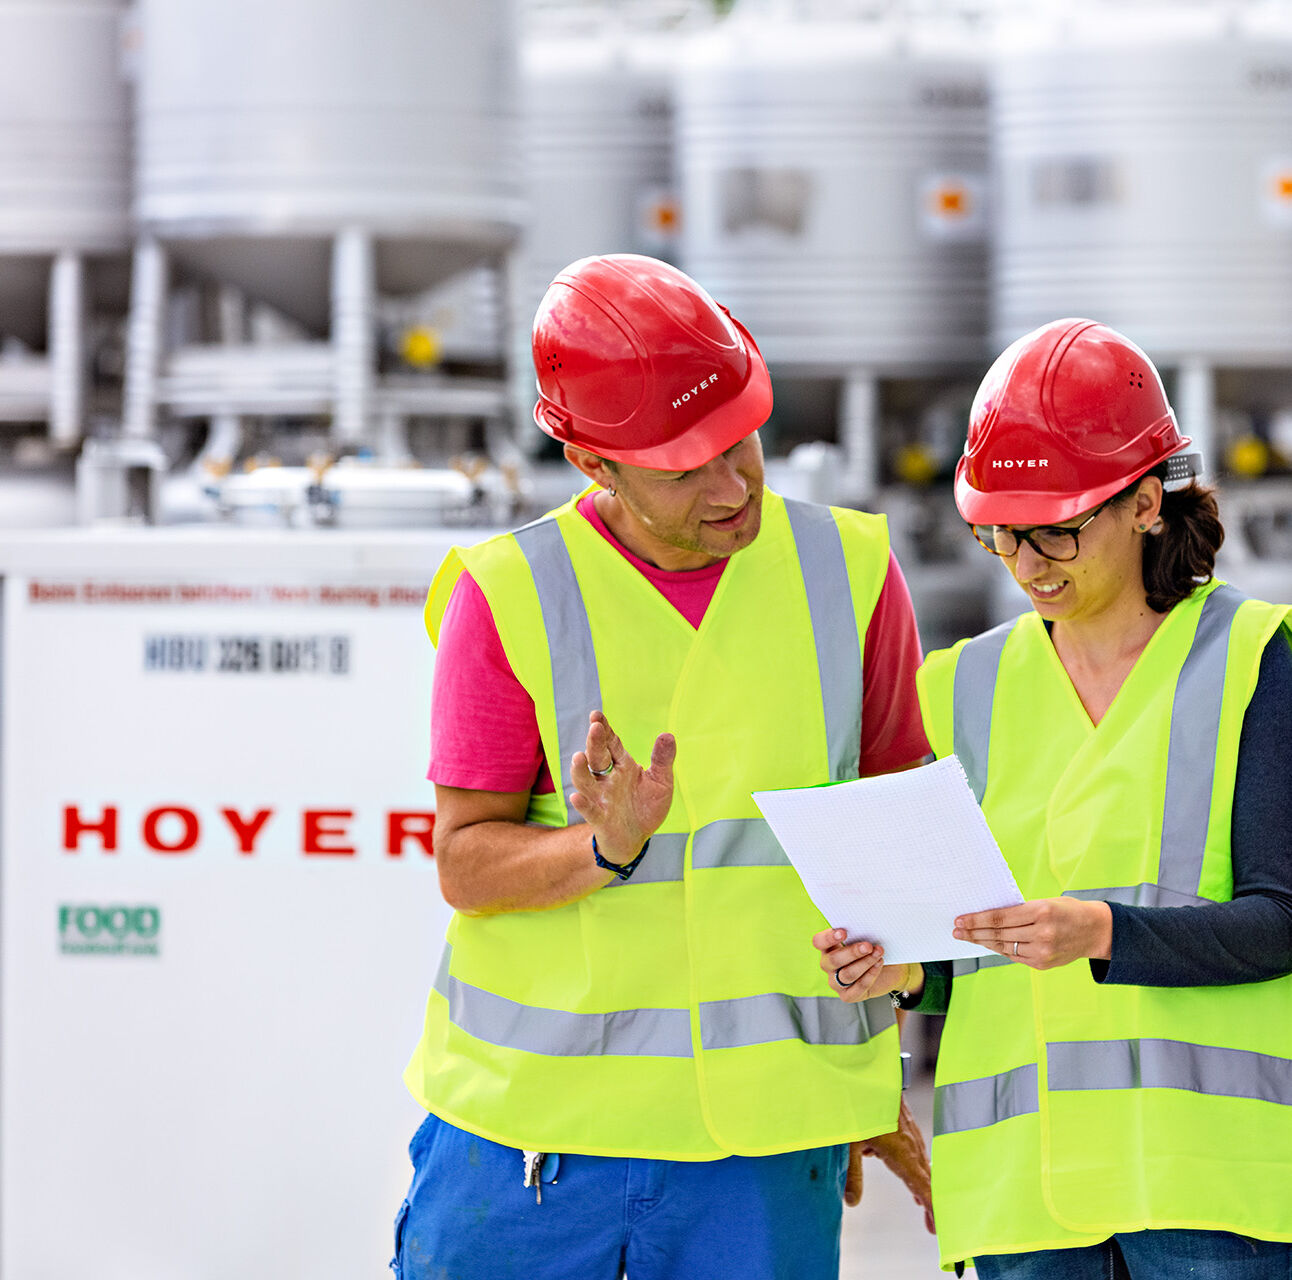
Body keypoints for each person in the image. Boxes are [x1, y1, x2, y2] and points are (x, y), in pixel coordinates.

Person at [392, 254, 935, 1280]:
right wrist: (603, 845)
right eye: (684, 468)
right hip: (533, 1149)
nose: (732, 487)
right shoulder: (510, 592)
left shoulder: (849, 571)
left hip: (763, 1154)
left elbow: (897, 847)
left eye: (741, 442)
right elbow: (464, 862)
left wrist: (886, 1026)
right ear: (594, 463)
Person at [815, 317, 1292, 1278]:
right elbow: (968, 953)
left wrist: (1104, 932)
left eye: (1057, 531)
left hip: (1208, 1193)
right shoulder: (958, 688)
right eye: (999, 533)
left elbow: (1282, 919)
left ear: (1146, 503)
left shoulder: (1258, 659)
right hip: (1021, 1202)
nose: (1029, 563)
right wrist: (901, 971)